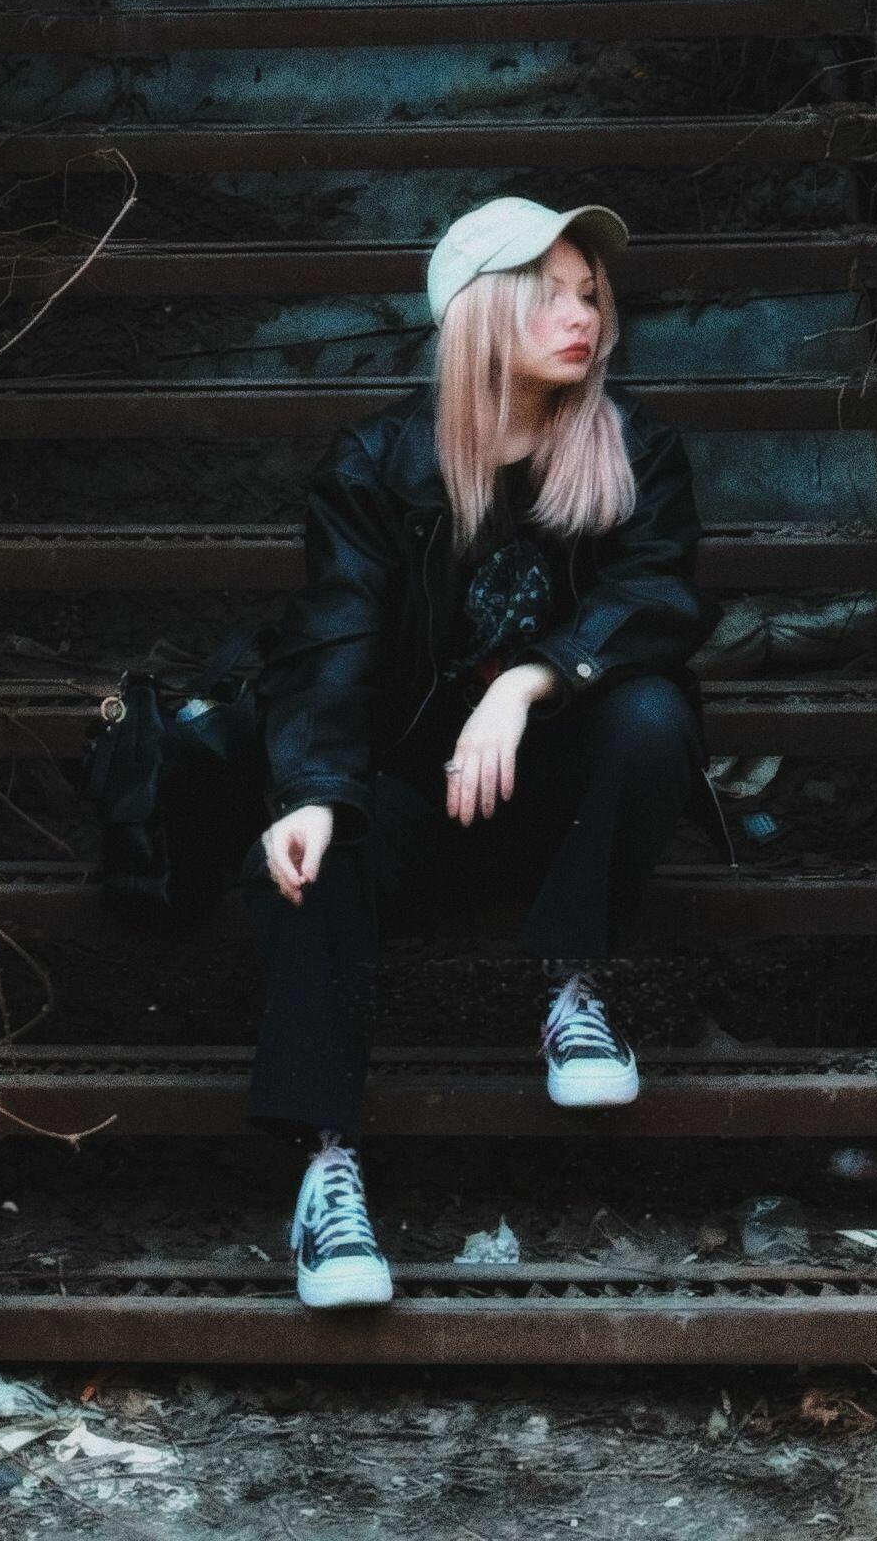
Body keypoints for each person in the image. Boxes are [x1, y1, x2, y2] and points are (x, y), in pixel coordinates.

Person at [247, 195, 710, 1311]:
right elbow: (334, 643)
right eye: (548, 295)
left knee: (652, 715)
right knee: (321, 833)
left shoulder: (635, 449)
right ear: (478, 314)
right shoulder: (377, 466)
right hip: (418, 798)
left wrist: (524, 681)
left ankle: (571, 988)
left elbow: (658, 599)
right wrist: (311, 793)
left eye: (590, 295)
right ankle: (327, 1174)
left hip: (557, 808)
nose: (581, 316)